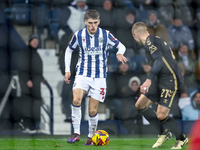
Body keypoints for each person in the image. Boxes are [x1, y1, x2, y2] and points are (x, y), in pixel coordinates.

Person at [65, 9, 127, 145]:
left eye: (95, 23)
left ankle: (91, 137)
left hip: (99, 78)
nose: (93, 26)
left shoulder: (106, 35)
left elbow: (121, 46)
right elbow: (69, 50)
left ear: (99, 22)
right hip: (82, 74)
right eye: (90, 23)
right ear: (85, 22)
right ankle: (76, 133)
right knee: (76, 100)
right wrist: (67, 70)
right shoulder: (78, 35)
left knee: (92, 110)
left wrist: (119, 53)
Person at [131, 22, 188, 149]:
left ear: (135, 35)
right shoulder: (154, 40)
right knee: (140, 104)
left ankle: (181, 138)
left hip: (170, 80)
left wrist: (148, 80)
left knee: (161, 115)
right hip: (160, 79)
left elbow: (159, 60)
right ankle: (163, 133)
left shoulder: (150, 42)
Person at [16, 34, 45, 132]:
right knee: (28, 106)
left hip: (36, 85)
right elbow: (22, 68)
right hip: (28, 85)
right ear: (29, 41)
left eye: (37, 40)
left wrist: (42, 79)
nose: (35, 42)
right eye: (34, 40)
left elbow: (36, 70)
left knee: (36, 106)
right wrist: (27, 79)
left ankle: (36, 126)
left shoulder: (35, 53)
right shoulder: (25, 52)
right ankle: (27, 125)